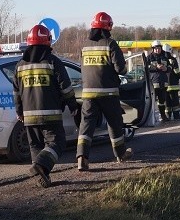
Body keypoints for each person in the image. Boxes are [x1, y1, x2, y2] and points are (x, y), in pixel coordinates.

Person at [13, 24, 80, 188]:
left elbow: (16, 92)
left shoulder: (20, 65)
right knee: (57, 143)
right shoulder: (53, 62)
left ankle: (42, 176)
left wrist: (19, 111)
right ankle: (41, 166)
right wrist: (73, 105)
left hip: (28, 116)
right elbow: (66, 87)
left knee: (35, 145)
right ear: (48, 41)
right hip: (50, 114)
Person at [76, 11, 133, 171]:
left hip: (88, 94)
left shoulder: (85, 46)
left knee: (86, 125)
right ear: (108, 27)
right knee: (114, 124)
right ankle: (120, 154)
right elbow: (121, 69)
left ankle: (82, 157)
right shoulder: (110, 43)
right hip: (108, 92)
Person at [148, 40, 171, 122]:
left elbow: (170, 67)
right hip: (153, 82)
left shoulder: (165, 57)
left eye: (159, 48)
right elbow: (147, 68)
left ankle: (163, 115)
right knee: (151, 101)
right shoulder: (150, 57)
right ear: (153, 49)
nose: (157, 50)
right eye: (155, 48)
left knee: (162, 101)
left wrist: (166, 68)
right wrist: (156, 68)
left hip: (163, 82)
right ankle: (151, 117)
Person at [162, 43, 180, 120]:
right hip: (173, 84)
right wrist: (177, 77)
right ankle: (176, 115)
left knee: (166, 101)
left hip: (164, 84)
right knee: (175, 100)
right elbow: (177, 72)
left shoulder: (162, 60)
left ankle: (168, 115)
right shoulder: (173, 60)